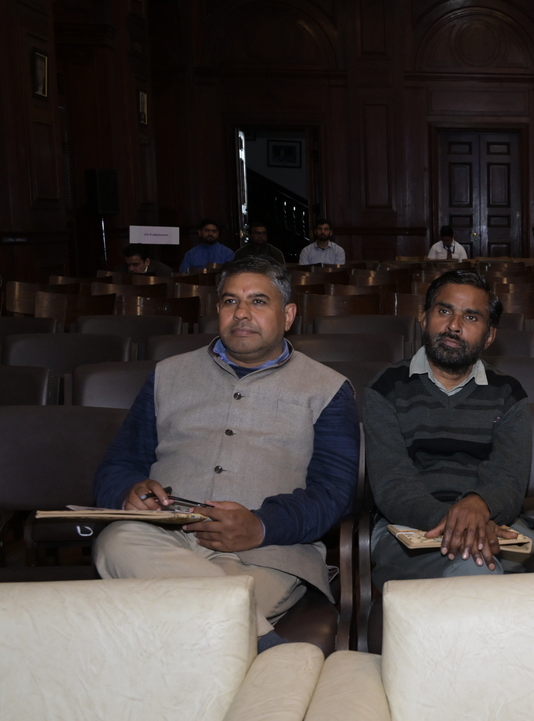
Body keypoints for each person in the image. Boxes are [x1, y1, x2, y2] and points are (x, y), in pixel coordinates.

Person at [91, 257, 360, 651]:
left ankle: (249, 642)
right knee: (115, 542)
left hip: (266, 553)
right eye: (231, 301)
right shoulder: (168, 375)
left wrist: (261, 525)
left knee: (175, 621)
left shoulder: (328, 388)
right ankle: (266, 646)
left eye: (258, 302)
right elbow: (119, 464)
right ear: (217, 310)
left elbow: (335, 494)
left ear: (288, 316)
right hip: (160, 541)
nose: (242, 313)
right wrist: (128, 490)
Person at [364, 270, 534, 580]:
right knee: (477, 566)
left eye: (471, 317)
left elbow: (509, 479)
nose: (454, 326)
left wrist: (479, 506)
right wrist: (459, 521)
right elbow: (392, 483)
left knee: (480, 561)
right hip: (408, 529)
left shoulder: (509, 393)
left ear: (489, 335)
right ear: (423, 318)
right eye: (444, 311)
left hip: (493, 522)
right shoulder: (386, 388)